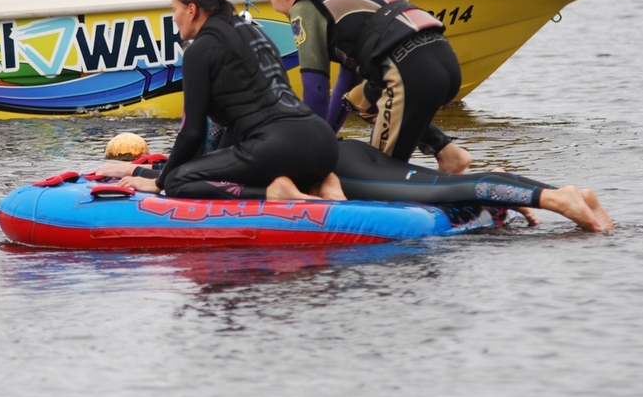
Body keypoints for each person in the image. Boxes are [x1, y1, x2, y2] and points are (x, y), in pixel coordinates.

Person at [111, 0, 343, 201]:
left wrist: (160, 183)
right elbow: (227, 148)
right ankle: (319, 184)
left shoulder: (200, 50)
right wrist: (138, 170)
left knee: (177, 181)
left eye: (175, 10)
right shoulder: (256, 34)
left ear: (191, 10)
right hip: (323, 146)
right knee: (225, 163)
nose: (173, 18)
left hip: (277, 148)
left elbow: (192, 132)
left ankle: (273, 192)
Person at [254, 0, 473, 174]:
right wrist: (325, 140)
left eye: (270, 0)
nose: (277, 9)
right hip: (444, 60)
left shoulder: (305, 5)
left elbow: (316, 90)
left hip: (408, 75)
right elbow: (347, 86)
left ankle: (483, 188)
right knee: (361, 100)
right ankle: (447, 152)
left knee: (381, 175)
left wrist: (310, 159)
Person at [98, 137, 614, 232]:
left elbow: (195, 174)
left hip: (344, 170)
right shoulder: (252, 109)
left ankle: (555, 199)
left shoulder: (221, 140)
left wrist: (141, 176)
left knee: (437, 190)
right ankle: (558, 193)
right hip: (347, 152)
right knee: (438, 181)